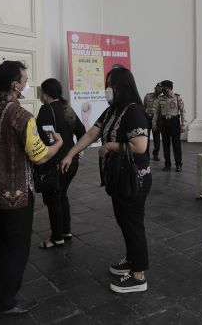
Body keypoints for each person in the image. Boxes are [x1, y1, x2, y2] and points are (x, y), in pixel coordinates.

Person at [0, 61, 62, 317]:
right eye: (24, 80)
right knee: (15, 248)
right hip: (16, 195)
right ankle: (5, 301)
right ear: (14, 85)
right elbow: (41, 156)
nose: (27, 84)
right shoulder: (21, 115)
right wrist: (58, 144)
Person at [61, 67, 152, 294]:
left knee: (133, 224)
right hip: (118, 176)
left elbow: (140, 146)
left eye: (110, 84)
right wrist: (71, 153)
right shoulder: (112, 111)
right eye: (106, 84)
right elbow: (92, 133)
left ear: (123, 86)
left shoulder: (134, 112)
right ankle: (131, 260)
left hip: (134, 178)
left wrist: (110, 146)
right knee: (124, 221)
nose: (107, 89)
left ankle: (139, 275)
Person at [36, 78, 86, 249]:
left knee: (53, 199)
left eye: (41, 91)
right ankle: (65, 231)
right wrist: (77, 150)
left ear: (46, 93)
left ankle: (57, 237)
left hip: (55, 162)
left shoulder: (46, 110)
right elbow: (82, 131)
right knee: (61, 195)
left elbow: (47, 139)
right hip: (71, 161)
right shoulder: (67, 108)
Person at [153, 80, 186, 172]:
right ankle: (167, 164)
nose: (162, 89)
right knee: (165, 144)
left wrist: (183, 124)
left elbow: (183, 111)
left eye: (164, 87)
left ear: (169, 88)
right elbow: (156, 112)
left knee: (176, 144)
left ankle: (178, 164)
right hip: (164, 123)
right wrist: (154, 123)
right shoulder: (160, 99)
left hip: (174, 122)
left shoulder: (177, 97)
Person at [143, 83, 162, 161]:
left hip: (156, 120)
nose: (159, 89)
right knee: (145, 137)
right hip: (147, 118)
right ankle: (145, 154)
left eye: (160, 89)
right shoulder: (148, 96)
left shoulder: (162, 98)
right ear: (155, 88)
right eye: (158, 88)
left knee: (156, 138)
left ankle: (155, 155)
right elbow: (143, 107)